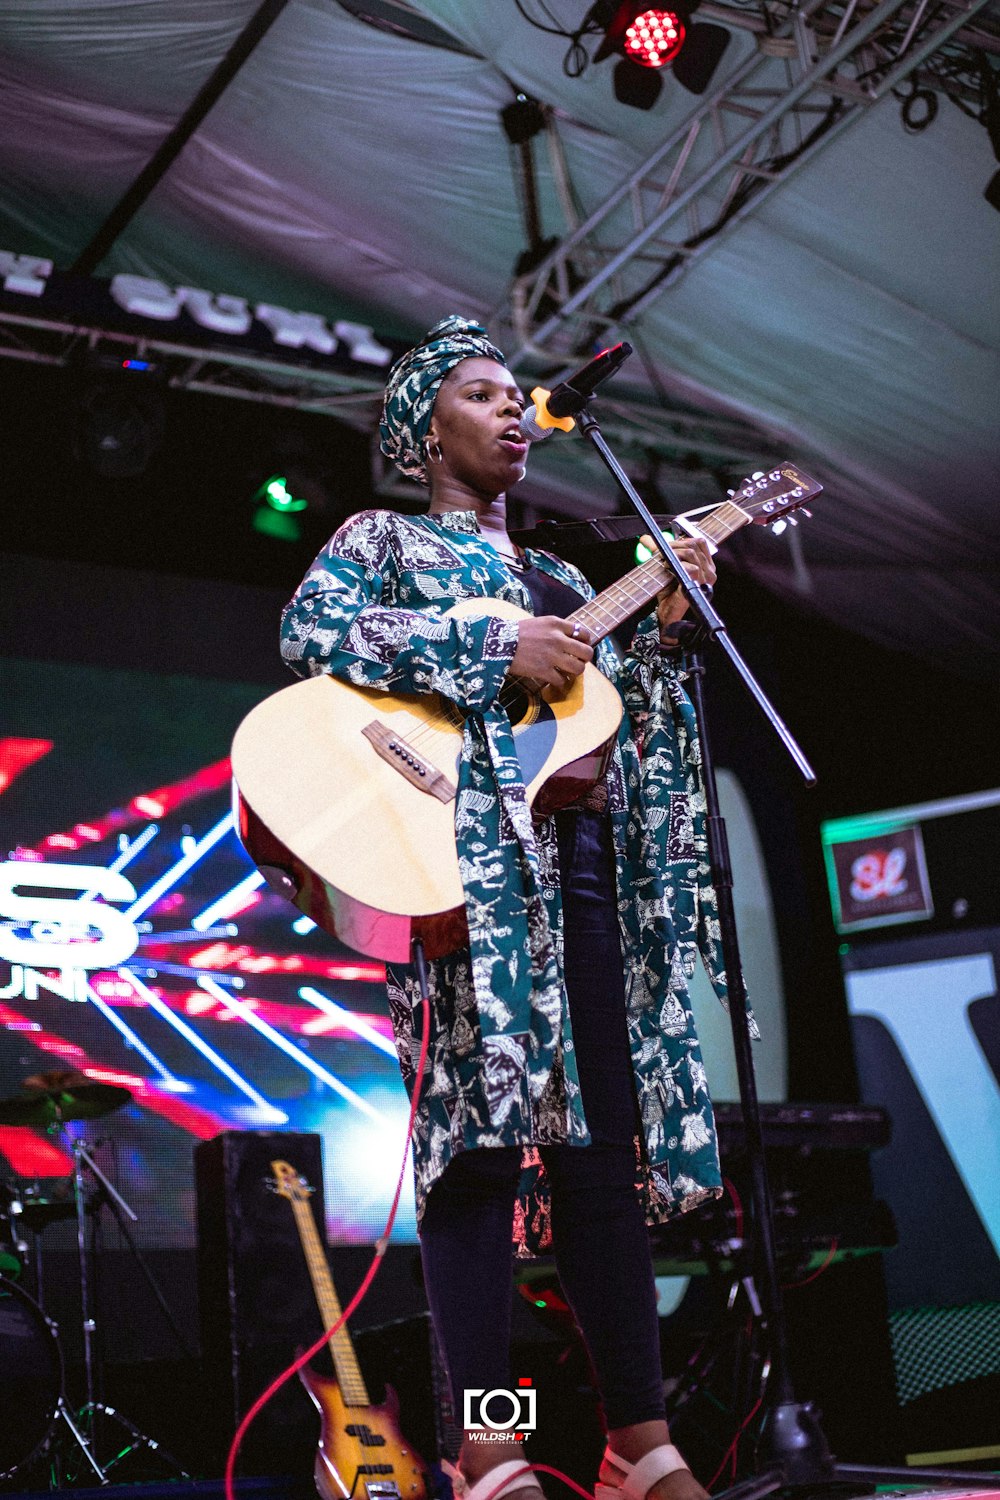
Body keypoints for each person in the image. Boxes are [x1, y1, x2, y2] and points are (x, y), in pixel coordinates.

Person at [280, 316, 731, 1500]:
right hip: (456, 873)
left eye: (518, 399)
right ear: (427, 425)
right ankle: (491, 1440)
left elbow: (610, 724)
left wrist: (670, 643)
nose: (513, 413)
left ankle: (639, 1439)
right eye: (484, 396)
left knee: (596, 1159)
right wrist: (487, 652)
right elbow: (311, 632)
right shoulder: (378, 536)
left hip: (578, 870)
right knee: (478, 1159)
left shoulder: (569, 579)